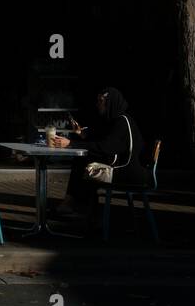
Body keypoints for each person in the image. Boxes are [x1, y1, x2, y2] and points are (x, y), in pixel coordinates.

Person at [51, 86, 148, 220]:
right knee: (83, 161)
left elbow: (106, 147)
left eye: (101, 101)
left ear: (111, 102)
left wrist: (71, 143)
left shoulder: (122, 122)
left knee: (85, 165)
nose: (98, 104)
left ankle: (78, 207)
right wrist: (82, 134)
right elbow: (103, 139)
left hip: (129, 173)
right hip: (124, 168)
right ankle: (79, 207)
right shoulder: (116, 120)